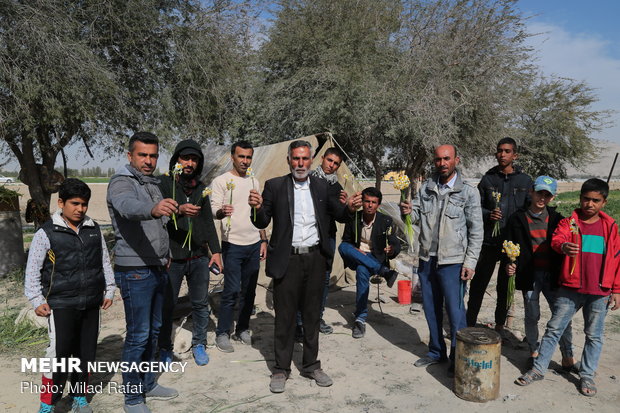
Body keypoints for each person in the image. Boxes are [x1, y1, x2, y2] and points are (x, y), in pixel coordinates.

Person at [249, 140, 361, 393]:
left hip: (315, 259)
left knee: (312, 316)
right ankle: (280, 369)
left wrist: (351, 209)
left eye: (305, 159)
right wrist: (256, 208)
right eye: (296, 159)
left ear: (312, 161)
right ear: (289, 160)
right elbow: (262, 220)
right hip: (287, 260)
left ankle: (311, 365)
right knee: (285, 317)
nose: (300, 164)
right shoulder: (275, 186)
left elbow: (340, 214)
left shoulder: (324, 185)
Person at [515, 178, 620, 397]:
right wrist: (563, 246)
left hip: (599, 291)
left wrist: (616, 290)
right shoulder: (569, 223)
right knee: (554, 329)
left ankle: (587, 374)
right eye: (586, 199)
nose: (589, 204)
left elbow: (616, 259)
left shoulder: (610, 227)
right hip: (570, 288)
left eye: (595, 200)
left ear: (604, 202)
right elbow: (556, 240)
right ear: (580, 198)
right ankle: (538, 369)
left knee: (594, 335)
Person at [25, 178, 115, 413]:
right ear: (61, 202)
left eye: (84, 204)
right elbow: (33, 270)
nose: (80, 209)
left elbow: (104, 261)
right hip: (60, 304)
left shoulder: (93, 229)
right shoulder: (47, 233)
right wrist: (37, 299)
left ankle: (79, 398)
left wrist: (110, 288)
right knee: (59, 355)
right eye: (75, 203)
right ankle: (48, 403)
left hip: (91, 303)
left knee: (85, 354)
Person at [107, 132, 179, 413]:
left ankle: (148, 383)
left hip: (156, 266)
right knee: (138, 334)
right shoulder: (121, 182)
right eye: (143, 155)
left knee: (154, 331)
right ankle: (133, 397)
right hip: (135, 270)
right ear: (130, 156)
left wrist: (166, 254)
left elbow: (158, 227)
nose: (148, 160)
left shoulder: (152, 183)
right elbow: (128, 208)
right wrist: (152, 208)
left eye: (153, 155)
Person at [399, 144, 483, 375]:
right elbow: (416, 214)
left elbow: (476, 231)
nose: (442, 163)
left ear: (457, 159)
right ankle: (436, 352)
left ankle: (458, 358)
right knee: (431, 308)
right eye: (438, 160)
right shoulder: (427, 187)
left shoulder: (468, 192)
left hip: (453, 262)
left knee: (456, 313)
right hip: (427, 259)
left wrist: (470, 262)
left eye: (447, 159)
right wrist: (408, 210)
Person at [158, 139, 223, 366]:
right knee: (168, 304)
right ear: (176, 160)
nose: (189, 163)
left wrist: (215, 251)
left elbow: (206, 221)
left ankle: (199, 344)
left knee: (200, 302)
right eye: (185, 158)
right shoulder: (164, 184)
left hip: (197, 256)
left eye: (194, 159)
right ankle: (165, 347)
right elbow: (159, 216)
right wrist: (179, 210)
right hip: (172, 258)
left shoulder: (201, 188)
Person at [503, 176, 576, 369]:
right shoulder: (517, 219)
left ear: (552, 197)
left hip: (553, 276)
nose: (542, 198)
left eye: (547, 195)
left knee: (562, 316)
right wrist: (509, 264)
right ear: (531, 192)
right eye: (539, 193)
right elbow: (508, 245)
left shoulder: (558, 220)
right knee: (531, 315)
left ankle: (568, 356)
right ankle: (534, 352)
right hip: (529, 274)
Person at [466, 137, 532, 333]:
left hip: (511, 243)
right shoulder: (488, 179)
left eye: (507, 151)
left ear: (515, 155)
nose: (502, 154)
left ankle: (500, 326)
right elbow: (475, 207)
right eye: (499, 151)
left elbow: (529, 210)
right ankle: (468, 323)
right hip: (489, 241)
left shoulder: (525, 180)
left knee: (505, 286)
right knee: (479, 283)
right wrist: (489, 214)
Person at [210, 140, 267, 352]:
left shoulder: (254, 181)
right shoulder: (221, 181)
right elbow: (214, 209)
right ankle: (222, 333)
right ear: (232, 157)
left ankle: (242, 328)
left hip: (253, 243)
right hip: (232, 244)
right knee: (231, 291)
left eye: (248, 157)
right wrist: (222, 212)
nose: (245, 161)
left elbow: (258, 214)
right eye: (241, 156)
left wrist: (263, 239)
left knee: (249, 291)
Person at [296, 147, 348, 339]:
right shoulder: (305, 179)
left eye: (335, 163)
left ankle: (317, 318)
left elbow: (341, 217)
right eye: (329, 160)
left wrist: (346, 207)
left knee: (323, 280)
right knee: (304, 279)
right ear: (322, 159)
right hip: (307, 236)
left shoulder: (337, 187)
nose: (331, 166)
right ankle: (299, 321)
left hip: (328, 237)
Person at [338, 187, 401, 338]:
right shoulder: (353, 218)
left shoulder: (386, 221)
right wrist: (356, 250)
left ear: (378, 205)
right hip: (357, 255)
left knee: (361, 270)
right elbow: (346, 242)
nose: (370, 205)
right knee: (342, 246)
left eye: (374, 202)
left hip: (374, 258)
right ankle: (384, 272)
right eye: (367, 201)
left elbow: (395, 243)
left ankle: (360, 319)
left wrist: (392, 249)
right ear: (363, 202)